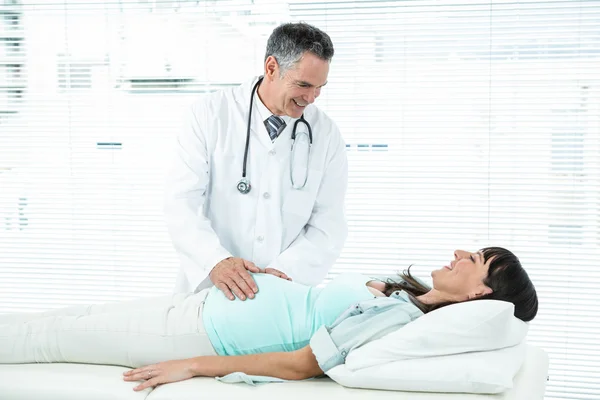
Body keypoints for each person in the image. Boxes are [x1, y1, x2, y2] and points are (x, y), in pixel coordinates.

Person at [0, 247, 538, 393]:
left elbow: (302, 364)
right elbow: (318, 307)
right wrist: (287, 284)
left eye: (475, 260)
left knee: (51, 335)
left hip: (202, 329)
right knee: (63, 320)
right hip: (211, 303)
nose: (460, 252)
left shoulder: (398, 322)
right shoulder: (408, 299)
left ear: (480, 295)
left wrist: (193, 365)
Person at [164, 22, 348, 299]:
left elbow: (328, 224)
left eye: (320, 87)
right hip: (210, 290)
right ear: (271, 68)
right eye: (303, 85)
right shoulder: (210, 115)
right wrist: (215, 260)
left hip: (282, 293)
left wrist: (282, 275)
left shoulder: (326, 134)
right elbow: (181, 202)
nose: (311, 98)